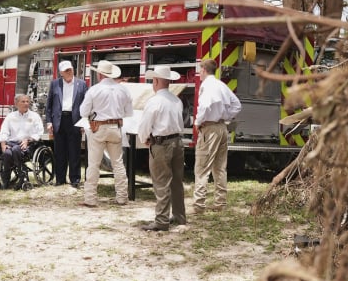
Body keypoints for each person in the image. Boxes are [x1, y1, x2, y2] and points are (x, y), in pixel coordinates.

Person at [136, 65, 186, 231]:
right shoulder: (176, 100)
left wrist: (144, 138)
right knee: (177, 182)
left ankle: (162, 220)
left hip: (161, 144)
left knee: (161, 182)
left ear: (156, 81)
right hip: (177, 142)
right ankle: (179, 216)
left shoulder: (154, 101)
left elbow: (145, 126)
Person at [79, 60, 133, 207]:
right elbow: (128, 112)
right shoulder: (123, 90)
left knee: (93, 164)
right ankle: (122, 197)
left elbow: (83, 112)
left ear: (100, 74)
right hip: (116, 127)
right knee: (118, 164)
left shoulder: (94, 90)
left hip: (98, 128)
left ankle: (90, 199)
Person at [192, 58, 241, 213]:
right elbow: (237, 105)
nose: (199, 73)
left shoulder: (207, 85)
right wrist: (226, 116)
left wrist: (197, 122)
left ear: (204, 70)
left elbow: (204, 106)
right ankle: (220, 202)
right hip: (222, 127)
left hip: (210, 128)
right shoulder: (221, 85)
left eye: (200, 70)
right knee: (220, 167)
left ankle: (199, 204)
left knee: (202, 167)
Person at [45, 60, 87, 188]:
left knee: (74, 152)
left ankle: (75, 179)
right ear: (61, 73)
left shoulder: (82, 84)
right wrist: (49, 122)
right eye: (66, 70)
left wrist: (84, 122)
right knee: (59, 152)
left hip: (75, 121)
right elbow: (49, 105)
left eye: (70, 69)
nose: (69, 72)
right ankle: (60, 179)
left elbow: (86, 105)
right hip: (59, 120)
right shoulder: (55, 84)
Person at [0, 94, 44, 189]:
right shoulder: (11, 116)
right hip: (12, 143)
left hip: (29, 144)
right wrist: (3, 144)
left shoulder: (34, 116)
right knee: (7, 153)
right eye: (23, 101)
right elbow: (4, 131)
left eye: (27, 101)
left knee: (16, 149)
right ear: (16, 104)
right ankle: (6, 180)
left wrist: (28, 139)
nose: (26, 103)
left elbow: (39, 132)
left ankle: (22, 177)